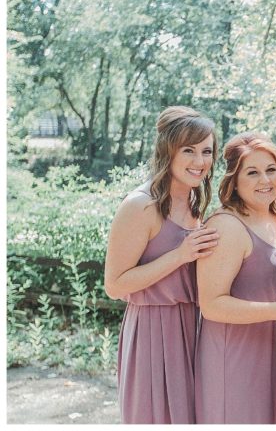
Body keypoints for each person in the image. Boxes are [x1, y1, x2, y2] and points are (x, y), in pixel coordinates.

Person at [195, 132, 276, 423]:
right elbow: (211, 304)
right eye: (252, 172)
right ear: (234, 179)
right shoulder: (226, 226)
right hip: (236, 357)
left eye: (271, 170)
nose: (265, 180)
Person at [104, 106, 218, 423]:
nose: (200, 161)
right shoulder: (140, 206)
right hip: (152, 332)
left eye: (206, 151)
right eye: (189, 150)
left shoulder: (197, 203)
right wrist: (179, 255)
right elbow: (114, 285)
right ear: (168, 151)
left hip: (194, 327)